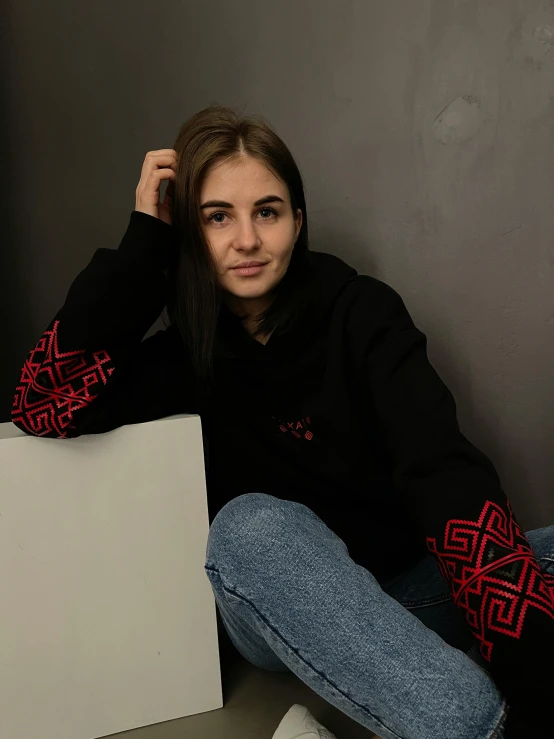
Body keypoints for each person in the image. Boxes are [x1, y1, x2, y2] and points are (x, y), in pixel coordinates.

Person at [11, 105, 554, 739]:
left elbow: (443, 474)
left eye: (266, 212)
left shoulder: (363, 314)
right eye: (217, 217)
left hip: (407, 591)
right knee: (250, 527)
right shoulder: (182, 357)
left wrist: (535, 673)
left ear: (297, 222)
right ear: (190, 232)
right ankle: (482, 727)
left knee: (517, 559)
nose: (246, 240)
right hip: (278, 608)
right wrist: (144, 244)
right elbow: (43, 403)